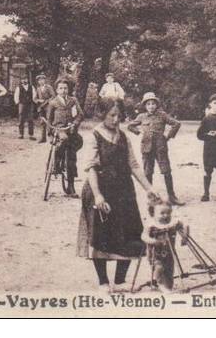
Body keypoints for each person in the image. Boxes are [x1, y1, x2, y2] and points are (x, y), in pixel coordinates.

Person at [77, 102, 159, 292]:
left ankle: (120, 280)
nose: (116, 120)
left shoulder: (123, 136)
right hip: (100, 190)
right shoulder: (94, 136)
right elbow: (91, 168)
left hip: (123, 191)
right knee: (100, 235)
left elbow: (134, 165)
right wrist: (98, 196)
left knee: (131, 232)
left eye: (118, 116)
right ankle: (103, 281)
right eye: (111, 115)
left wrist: (149, 188)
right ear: (102, 114)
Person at [126, 92, 184, 206]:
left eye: (153, 104)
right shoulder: (141, 116)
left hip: (160, 148)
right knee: (148, 172)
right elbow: (130, 126)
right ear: (145, 106)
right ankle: (151, 197)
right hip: (146, 148)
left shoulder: (162, 115)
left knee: (166, 171)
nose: (151, 106)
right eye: (148, 104)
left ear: (156, 104)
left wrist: (168, 136)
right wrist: (139, 132)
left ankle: (172, 197)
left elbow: (176, 123)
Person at [142, 198, 189, 291]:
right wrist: (152, 241)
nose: (165, 216)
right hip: (155, 254)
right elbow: (144, 236)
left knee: (169, 270)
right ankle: (160, 284)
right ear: (153, 213)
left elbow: (185, 225)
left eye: (168, 213)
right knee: (159, 268)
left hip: (170, 253)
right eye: (162, 213)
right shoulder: (151, 225)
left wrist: (185, 236)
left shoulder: (172, 223)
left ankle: (168, 285)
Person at [46, 78, 84, 196]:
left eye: (65, 88)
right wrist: (51, 132)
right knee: (63, 140)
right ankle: (56, 162)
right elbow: (49, 120)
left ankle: (71, 187)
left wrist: (75, 124)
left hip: (71, 130)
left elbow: (80, 115)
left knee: (72, 157)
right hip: (58, 130)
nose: (63, 90)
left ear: (69, 89)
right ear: (57, 90)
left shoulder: (73, 101)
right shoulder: (53, 102)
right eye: (61, 88)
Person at [34, 73, 56, 144]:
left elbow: (53, 96)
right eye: (39, 80)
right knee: (42, 122)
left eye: (42, 80)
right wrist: (38, 100)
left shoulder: (49, 87)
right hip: (41, 107)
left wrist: (47, 102)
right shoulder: (38, 89)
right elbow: (35, 98)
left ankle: (51, 137)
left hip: (48, 106)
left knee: (49, 121)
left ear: (45, 80)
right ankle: (43, 138)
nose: (41, 81)